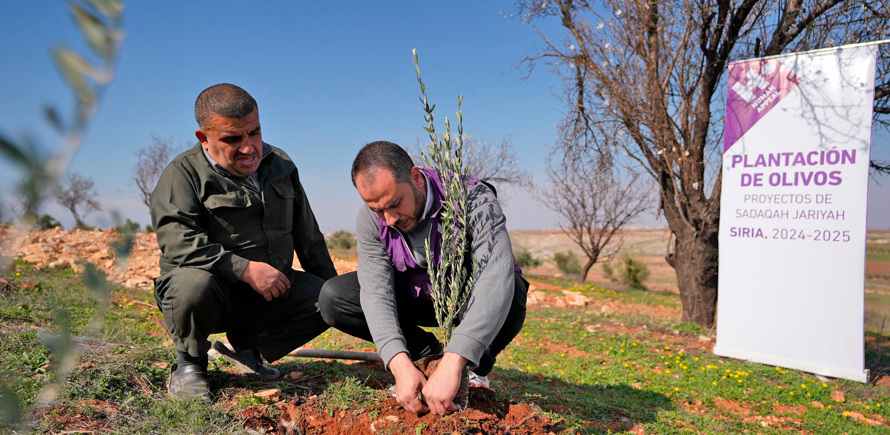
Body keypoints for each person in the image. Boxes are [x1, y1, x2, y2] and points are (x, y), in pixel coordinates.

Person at [150, 83, 337, 400]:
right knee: (191, 286)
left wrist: (342, 295)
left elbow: (309, 238)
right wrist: (244, 269)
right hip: (213, 293)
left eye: (255, 132)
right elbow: (177, 241)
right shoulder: (182, 173)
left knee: (332, 297)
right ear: (204, 139)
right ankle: (190, 366)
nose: (249, 148)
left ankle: (250, 349)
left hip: (270, 292)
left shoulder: (281, 165)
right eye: (233, 139)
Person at [318, 141, 527, 415]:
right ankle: (426, 356)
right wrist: (398, 361)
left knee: (510, 289)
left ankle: (474, 368)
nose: (388, 219)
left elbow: (495, 275)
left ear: (416, 178)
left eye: (394, 204)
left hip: (467, 301)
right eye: (377, 210)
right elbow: (375, 290)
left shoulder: (472, 198)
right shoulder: (372, 219)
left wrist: (455, 360)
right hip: (416, 298)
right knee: (335, 297)